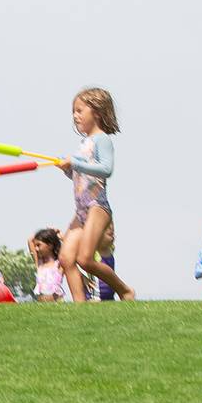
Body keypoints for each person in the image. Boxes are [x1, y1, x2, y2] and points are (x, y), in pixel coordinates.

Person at [54, 86, 136, 302]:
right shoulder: (84, 143)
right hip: (81, 210)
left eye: (80, 110)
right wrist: (68, 169)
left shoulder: (102, 140)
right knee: (66, 259)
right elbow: (82, 176)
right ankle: (80, 307)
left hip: (97, 207)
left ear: (97, 112)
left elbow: (106, 169)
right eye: (74, 111)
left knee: (85, 260)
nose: (75, 116)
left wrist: (75, 163)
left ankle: (125, 290)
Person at [27, 227, 66, 301]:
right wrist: (48, 231)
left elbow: (69, 248)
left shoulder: (59, 263)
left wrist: (60, 236)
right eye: (35, 246)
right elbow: (30, 240)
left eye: (39, 245)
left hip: (57, 301)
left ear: (50, 245)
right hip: (41, 303)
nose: (36, 249)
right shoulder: (39, 263)